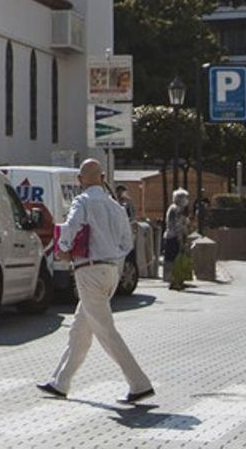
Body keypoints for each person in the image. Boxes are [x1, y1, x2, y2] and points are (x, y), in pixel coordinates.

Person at [37, 158, 154, 404]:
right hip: (111, 270)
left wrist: (64, 249)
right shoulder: (115, 206)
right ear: (102, 178)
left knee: (105, 331)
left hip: (88, 270)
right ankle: (61, 382)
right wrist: (110, 256)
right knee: (81, 330)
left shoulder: (83, 201)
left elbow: (70, 228)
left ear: (80, 180)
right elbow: (126, 241)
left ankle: (139, 383)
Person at [163, 188, 189, 288]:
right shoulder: (176, 209)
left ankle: (176, 280)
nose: (186, 200)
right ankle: (175, 281)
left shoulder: (173, 208)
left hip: (170, 236)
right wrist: (181, 240)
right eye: (185, 198)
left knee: (174, 260)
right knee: (175, 260)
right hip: (173, 237)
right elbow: (177, 226)